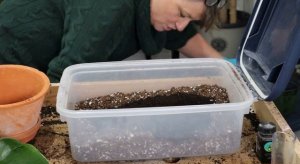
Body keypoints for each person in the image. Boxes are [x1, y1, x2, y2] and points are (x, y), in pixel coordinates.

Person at [0, 0, 225, 82]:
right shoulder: (110, 7)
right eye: (182, 13)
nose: (181, 24)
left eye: (190, 20)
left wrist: (230, 70)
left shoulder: (159, 12)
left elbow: (184, 37)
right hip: (10, 58)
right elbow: (63, 77)